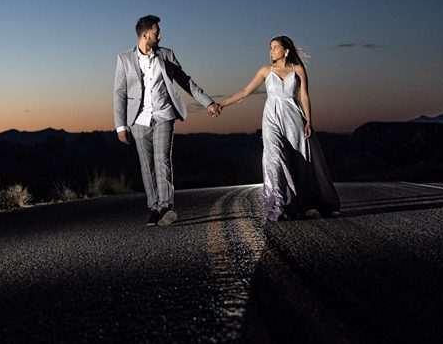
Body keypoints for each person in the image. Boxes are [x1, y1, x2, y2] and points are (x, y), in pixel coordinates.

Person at [114, 15, 221, 227]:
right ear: (145, 35)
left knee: (162, 160)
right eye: (156, 33)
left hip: (164, 115)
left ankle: (166, 207)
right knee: (147, 166)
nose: (160, 36)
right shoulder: (124, 59)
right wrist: (120, 125)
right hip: (138, 120)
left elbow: (185, 81)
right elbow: (119, 92)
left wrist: (208, 102)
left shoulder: (167, 55)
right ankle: (153, 208)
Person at [219, 35, 340, 221]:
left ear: (286, 51)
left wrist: (308, 121)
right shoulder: (266, 70)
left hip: (294, 118)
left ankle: (303, 204)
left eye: (275, 47)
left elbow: (304, 96)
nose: (272, 51)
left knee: (299, 160)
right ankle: (279, 205)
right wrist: (222, 104)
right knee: (274, 157)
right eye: (270, 47)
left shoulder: (298, 69)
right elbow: (245, 91)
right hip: (271, 119)